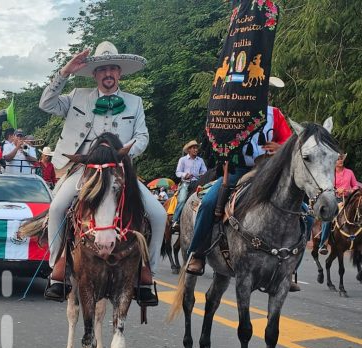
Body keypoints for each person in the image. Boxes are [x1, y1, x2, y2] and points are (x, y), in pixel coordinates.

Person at [39, 41, 165, 305]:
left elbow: (142, 136)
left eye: (113, 69)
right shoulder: (77, 96)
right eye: (103, 69)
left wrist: (124, 154)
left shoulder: (135, 102)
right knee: (57, 208)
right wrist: (65, 72)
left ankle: (145, 273)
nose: (108, 74)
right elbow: (46, 104)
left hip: (119, 169)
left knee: (158, 213)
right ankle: (57, 270)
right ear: (95, 74)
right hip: (84, 168)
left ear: (119, 73)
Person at [185, 76, 292, 275]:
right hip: (237, 170)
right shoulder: (232, 112)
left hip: (267, 171)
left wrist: (280, 147)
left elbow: (289, 143)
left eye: (265, 90)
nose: (263, 94)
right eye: (259, 90)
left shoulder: (275, 114)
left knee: (301, 210)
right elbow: (216, 140)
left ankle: (289, 267)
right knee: (208, 204)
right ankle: (197, 253)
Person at [318, 152, 359, 255]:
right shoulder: (330, 174)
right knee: (328, 218)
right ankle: (323, 244)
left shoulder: (350, 172)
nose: (340, 160)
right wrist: (336, 191)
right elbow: (326, 188)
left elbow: (355, 186)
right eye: (337, 159)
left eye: (341, 158)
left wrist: (348, 190)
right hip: (334, 200)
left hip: (349, 200)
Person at [172, 139, 208, 229]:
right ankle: (175, 220)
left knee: (206, 199)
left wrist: (202, 175)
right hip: (186, 183)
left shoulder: (200, 160)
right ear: (189, 150)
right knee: (182, 199)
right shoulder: (183, 160)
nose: (196, 150)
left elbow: (205, 172)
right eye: (194, 148)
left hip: (198, 183)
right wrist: (185, 175)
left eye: (196, 148)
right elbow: (178, 172)